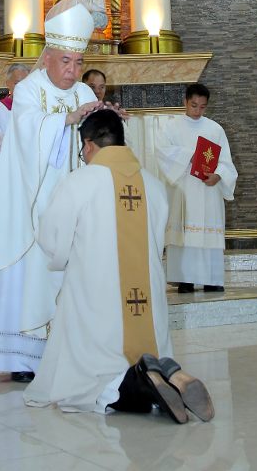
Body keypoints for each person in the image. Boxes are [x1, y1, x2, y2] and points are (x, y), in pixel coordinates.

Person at [25, 110, 214, 422]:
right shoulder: (154, 186)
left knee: (84, 386)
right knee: (146, 341)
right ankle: (165, 373)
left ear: (88, 144)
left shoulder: (78, 181)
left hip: (97, 299)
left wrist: (60, 256)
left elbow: (53, 241)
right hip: (148, 301)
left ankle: (134, 382)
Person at [0, 0, 101, 382]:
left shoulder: (81, 93)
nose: (73, 71)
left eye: (78, 63)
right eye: (66, 61)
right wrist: (65, 120)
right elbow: (25, 135)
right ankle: (25, 360)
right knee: (32, 278)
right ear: (46, 58)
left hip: (72, 205)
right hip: (33, 206)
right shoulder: (28, 90)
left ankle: (70, 353)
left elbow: (90, 145)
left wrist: (104, 119)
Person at [156, 83, 237, 294]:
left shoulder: (215, 129)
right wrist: (188, 155)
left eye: (202, 107)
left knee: (208, 233)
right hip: (184, 189)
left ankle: (212, 279)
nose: (197, 111)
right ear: (185, 101)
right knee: (185, 233)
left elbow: (227, 163)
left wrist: (218, 175)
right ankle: (185, 280)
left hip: (208, 190)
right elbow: (162, 153)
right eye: (193, 105)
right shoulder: (171, 127)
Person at [0, 63, 30, 214]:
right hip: (3, 186)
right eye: (17, 83)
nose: (22, 87)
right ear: (8, 83)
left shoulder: (37, 112)